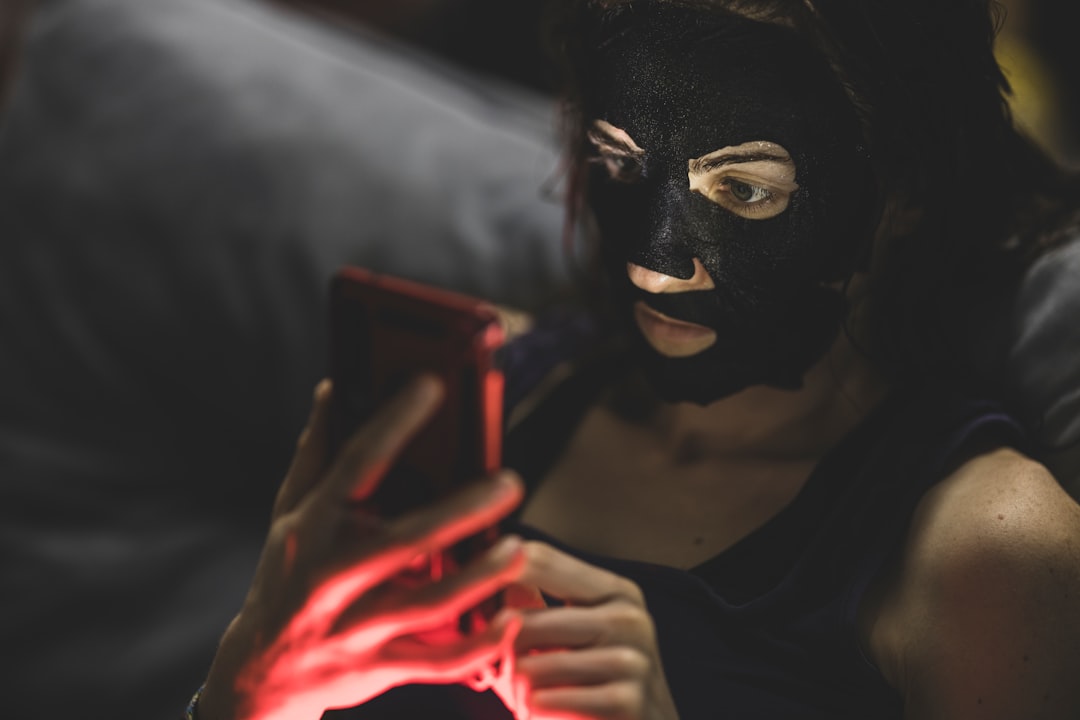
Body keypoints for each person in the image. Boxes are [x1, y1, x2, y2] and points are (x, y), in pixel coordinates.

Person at [194, 0, 1077, 717]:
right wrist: (249, 681)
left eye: (746, 191)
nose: (654, 260)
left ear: (904, 190)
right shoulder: (482, 402)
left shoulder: (987, 551)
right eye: (622, 165)